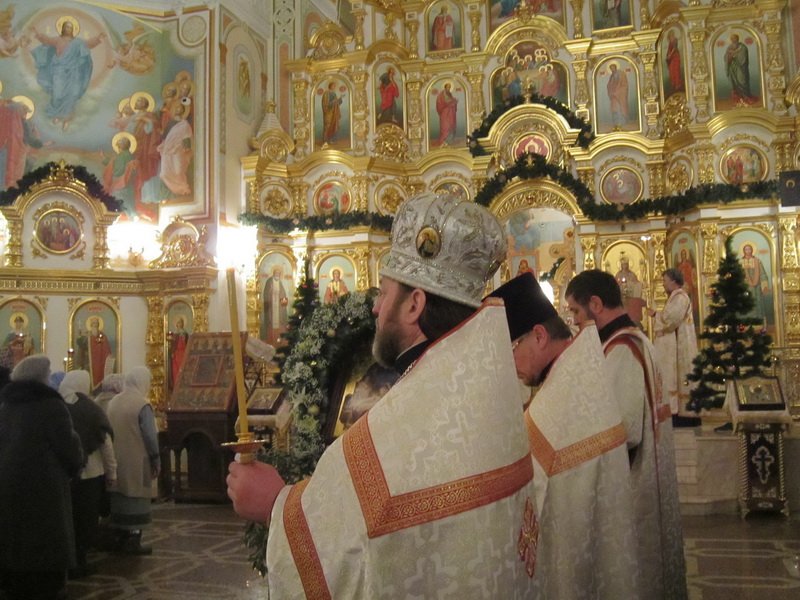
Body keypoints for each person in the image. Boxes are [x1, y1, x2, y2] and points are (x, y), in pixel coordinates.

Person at [227, 193, 538, 597]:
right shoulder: (484, 401)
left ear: (414, 305)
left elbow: (352, 557)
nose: (375, 308)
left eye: (384, 293)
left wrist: (273, 505)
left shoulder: (405, 429)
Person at [488, 272, 639, 599]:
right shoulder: (573, 373)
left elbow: (536, 484)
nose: (508, 364)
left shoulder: (569, 392)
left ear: (539, 336)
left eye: (510, 349)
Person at [565, 270, 688, 599]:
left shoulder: (621, 350)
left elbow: (622, 430)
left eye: (576, 311)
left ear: (596, 304)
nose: (575, 322)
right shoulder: (640, 341)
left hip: (632, 485)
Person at [0, 355, 84, 600]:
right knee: (45, 545)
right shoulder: (51, 406)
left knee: (14, 540)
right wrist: (75, 465)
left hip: (8, 485)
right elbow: (68, 448)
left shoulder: (6, 406)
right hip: (44, 490)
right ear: (42, 378)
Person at [60, 370, 116, 579]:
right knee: (87, 520)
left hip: (67, 473)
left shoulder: (59, 406)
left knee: (70, 519)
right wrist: (112, 472)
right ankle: (80, 562)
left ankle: (68, 561)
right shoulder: (91, 409)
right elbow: (105, 443)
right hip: (91, 473)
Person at [106, 366, 160, 555]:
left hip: (116, 458)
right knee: (137, 497)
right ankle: (133, 540)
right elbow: (150, 437)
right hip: (139, 459)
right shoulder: (142, 404)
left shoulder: (113, 401)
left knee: (120, 496)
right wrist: (156, 459)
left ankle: (120, 537)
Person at [30, 19, 107, 129]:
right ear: (62, 29)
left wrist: (98, 38)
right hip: (59, 70)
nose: (68, 29)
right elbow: (46, 40)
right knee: (58, 94)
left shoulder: (78, 42)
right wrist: (37, 33)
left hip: (74, 72)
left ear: (73, 30)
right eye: (66, 27)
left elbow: (88, 44)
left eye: (70, 28)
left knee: (73, 93)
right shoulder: (57, 40)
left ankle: (67, 117)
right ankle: (56, 114)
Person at [649, 268, 699, 422]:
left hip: (680, 345)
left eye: (665, 281)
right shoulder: (675, 297)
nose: (663, 284)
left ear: (673, 281)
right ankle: (674, 410)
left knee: (678, 375)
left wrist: (655, 314)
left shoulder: (680, 297)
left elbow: (671, 320)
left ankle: (681, 413)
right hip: (675, 343)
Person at [0, 98, 45, 189]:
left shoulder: (10, 115)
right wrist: (40, 143)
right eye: (25, 112)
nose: (25, 115)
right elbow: (29, 138)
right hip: (10, 151)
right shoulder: (21, 121)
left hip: (9, 150)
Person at [158, 102, 193, 196]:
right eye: (176, 108)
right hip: (167, 150)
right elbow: (164, 136)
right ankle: (173, 191)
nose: (178, 109)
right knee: (165, 173)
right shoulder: (170, 123)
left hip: (179, 150)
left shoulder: (184, 124)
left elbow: (187, 135)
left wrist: (187, 146)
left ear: (183, 110)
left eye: (180, 108)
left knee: (178, 171)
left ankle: (183, 188)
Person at [76, 316, 113, 392]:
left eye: (96, 323)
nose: (94, 325)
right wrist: (80, 337)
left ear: (98, 325)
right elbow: (81, 345)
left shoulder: (102, 336)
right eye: (93, 323)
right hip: (88, 362)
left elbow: (106, 349)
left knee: (100, 379)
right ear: (90, 325)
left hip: (100, 363)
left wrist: (108, 358)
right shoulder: (87, 336)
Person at [740, 244, 770, 325]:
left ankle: (758, 324)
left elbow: (763, 274)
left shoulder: (757, 261)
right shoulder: (740, 262)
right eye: (746, 249)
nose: (748, 251)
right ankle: (744, 325)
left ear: (752, 250)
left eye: (749, 249)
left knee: (757, 304)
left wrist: (765, 286)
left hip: (756, 288)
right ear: (743, 251)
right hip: (744, 287)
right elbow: (737, 274)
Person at [724, 34, 756, 105]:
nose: (733, 40)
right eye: (732, 39)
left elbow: (743, 58)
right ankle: (739, 98)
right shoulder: (729, 47)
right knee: (734, 82)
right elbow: (726, 57)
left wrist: (734, 56)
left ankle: (746, 97)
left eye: (734, 38)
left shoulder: (743, 47)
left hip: (741, 68)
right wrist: (728, 58)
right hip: (732, 68)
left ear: (737, 39)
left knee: (742, 81)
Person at [615, 255, 645, 326]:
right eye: (623, 264)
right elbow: (616, 285)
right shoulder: (618, 274)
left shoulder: (632, 274)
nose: (624, 266)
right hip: (622, 299)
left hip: (631, 299)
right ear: (621, 265)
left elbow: (636, 284)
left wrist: (629, 284)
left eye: (626, 264)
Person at [261, 267, 289, 344]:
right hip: (271, 306)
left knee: (280, 321)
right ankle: (271, 341)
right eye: (276, 273)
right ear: (273, 274)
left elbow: (283, 294)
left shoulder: (280, 282)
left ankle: (280, 341)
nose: (277, 275)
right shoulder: (269, 281)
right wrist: (271, 294)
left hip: (279, 306)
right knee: (271, 322)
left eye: (279, 274)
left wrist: (284, 305)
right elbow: (266, 293)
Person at [607, 61, 629, 129]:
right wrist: (611, 92)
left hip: (620, 95)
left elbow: (624, 85)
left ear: (615, 67)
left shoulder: (621, 74)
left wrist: (617, 92)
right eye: (611, 68)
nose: (612, 69)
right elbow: (609, 86)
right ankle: (616, 123)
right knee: (614, 109)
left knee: (621, 108)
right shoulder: (612, 76)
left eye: (613, 68)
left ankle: (622, 123)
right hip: (613, 96)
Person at [435, 82, 458, 146]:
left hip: (451, 113)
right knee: (445, 126)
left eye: (450, 87)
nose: (449, 88)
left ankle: (449, 141)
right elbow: (441, 103)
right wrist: (451, 102)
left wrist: (454, 102)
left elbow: (451, 101)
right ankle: (443, 141)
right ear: (445, 87)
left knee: (451, 125)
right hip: (444, 113)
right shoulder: (441, 94)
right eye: (448, 87)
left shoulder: (450, 94)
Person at [170, 317, 190, 390]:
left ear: (183, 324)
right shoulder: (175, 334)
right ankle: (176, 386)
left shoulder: (185, 333)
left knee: (183, 369)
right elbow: (173, 344)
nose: (179, 324)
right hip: (176, 353)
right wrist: (172, 352)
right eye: (178, 322)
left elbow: (187, 343)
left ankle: (183, 386)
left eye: (180, 322)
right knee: (176, 370)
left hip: (183, 353)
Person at [665, 30, 684, 94]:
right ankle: (673, 84)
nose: (671, 37)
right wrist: (668, 56)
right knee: (671, 70)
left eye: (671, 35)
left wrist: (670, 55)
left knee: (676, 70)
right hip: (671, 58)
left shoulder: (675, 40)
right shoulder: (670, 42)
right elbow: (669, 50)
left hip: (675, 56)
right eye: (670, 36)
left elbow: (674, 48)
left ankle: (678, 85)